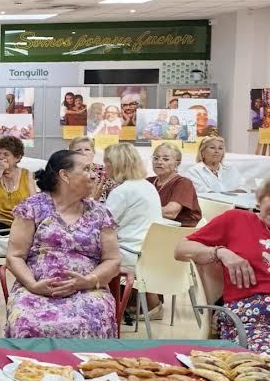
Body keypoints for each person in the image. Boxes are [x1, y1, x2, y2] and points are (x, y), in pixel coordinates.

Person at [3, 150, 121, 339]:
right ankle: (30, 368)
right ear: (64, 175)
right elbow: (15, 256)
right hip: (36, 290)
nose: (94, 175)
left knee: (93, 318)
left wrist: (89, 281)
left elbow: (113, 260)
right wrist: (33, 285)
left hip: (87, 291)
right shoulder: (33, 207)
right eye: (86, 169)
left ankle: (87, 367)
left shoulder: (100, 213)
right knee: (26, 319)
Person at [176, 180, 270, 353]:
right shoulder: (237, 220)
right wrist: (220, 252)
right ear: (260, 199)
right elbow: (181, 250)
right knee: (262, 364)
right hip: (251, 318)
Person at [103, 143, 162, 270]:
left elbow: (102, 226)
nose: (104, 166)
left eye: (106, 161)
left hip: (128, 253)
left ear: (115, 164)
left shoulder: (122, 191)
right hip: (150, 252)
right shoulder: (148, 186)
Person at [149, 142, 201, 228]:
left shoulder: (183, 183)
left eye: (165, 159)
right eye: (156, 158)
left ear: (177, 163)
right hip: (156, 226)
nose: (159, 162)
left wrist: (140, 209)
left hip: (178, 231)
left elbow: (171, 212)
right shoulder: (148, 181)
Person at [70, 136, 115, 201]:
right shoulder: (67, 172)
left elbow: (113, 195)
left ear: (93, 152)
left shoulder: (105, 171)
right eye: (78, 150)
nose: (83, 153)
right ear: (70, 154)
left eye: (87, 149)